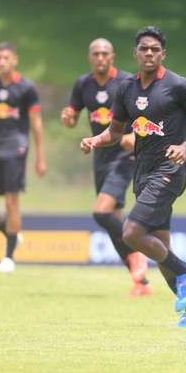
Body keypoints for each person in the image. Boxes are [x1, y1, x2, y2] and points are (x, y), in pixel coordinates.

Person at [80, 26, 186, 326]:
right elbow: (115, 132)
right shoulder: (126, 89)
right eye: (144, 48)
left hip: (170, 171)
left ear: (163, 54)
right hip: (142, 173)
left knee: (131, 232)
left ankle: (185, 271)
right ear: (135, 53)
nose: (149, 53)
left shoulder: (177, 85)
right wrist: (95, 141)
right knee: (159, 244)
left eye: (155, 49)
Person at [61, 38, 153, 296]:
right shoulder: (83, 84)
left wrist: (133, 138)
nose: (100, 57)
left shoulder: (125, 83)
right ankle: (141, 282)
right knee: (113, 222)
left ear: (112, 56)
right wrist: (67, 119)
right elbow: (72, 117)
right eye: (96, 54)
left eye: (105, 53)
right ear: (90, 57)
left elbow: (143, 119)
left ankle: (138, 254)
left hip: (125, 158)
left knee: (101, 213)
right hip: (99, 159)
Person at [0, 42, 46, 273]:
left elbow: (36, 123)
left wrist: (40, 156)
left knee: (12, 201)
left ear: (15, 60)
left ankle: (9, 257)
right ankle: (11, 234)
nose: (2, 62)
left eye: (6, 58)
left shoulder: (26, 88)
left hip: (16, 148)